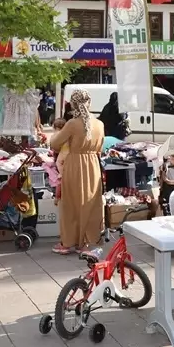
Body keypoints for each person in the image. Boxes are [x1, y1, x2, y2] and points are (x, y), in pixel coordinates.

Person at [49, 90, 106, 255]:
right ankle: (88, 242)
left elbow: (55, 143)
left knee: (71, 204)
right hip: (93, 164)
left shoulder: (72, 123)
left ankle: (68, 242)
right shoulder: (99, 124)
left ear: (73, 104)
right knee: (91, 203)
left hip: (74, 164)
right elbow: (100, 147)